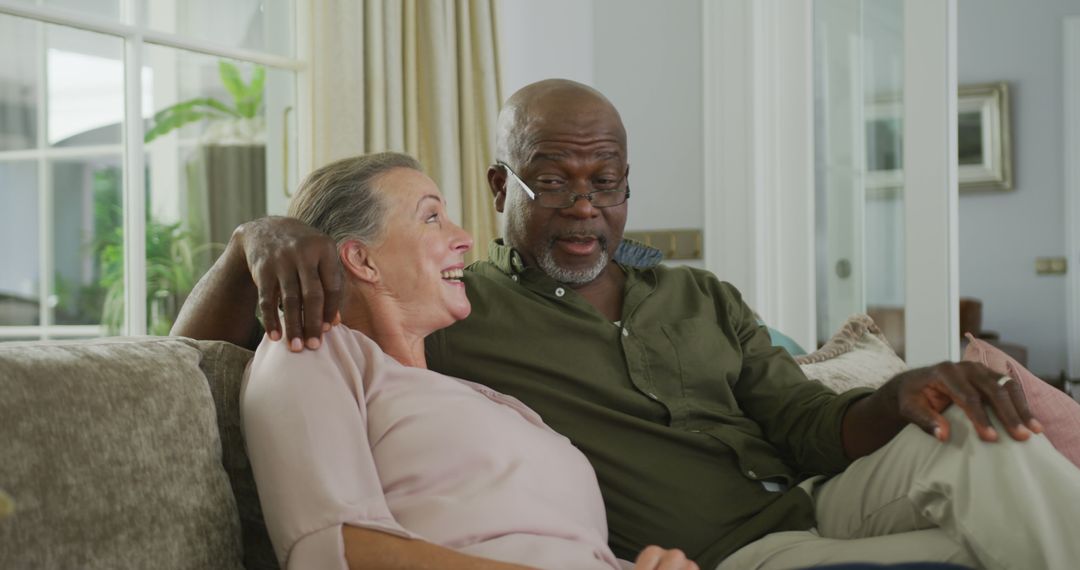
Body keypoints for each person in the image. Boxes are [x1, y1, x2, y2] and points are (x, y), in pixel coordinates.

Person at [175, 80, 1080, 570]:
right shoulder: (454, 309)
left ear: (626, 188)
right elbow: (207, 359)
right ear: (504, 189)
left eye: (603, 182)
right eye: (553, 180)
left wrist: (902, 392)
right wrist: (257, 240)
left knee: (984, 433)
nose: (582, 207)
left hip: (815, 500)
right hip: (726, 553)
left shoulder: (700, 295)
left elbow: (808, 426)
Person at [238, 151, 697, 570]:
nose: (465, 237)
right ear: (362, 259)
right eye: (432, 217)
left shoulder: (475, 395)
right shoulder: (313, 349)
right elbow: (335, 549)